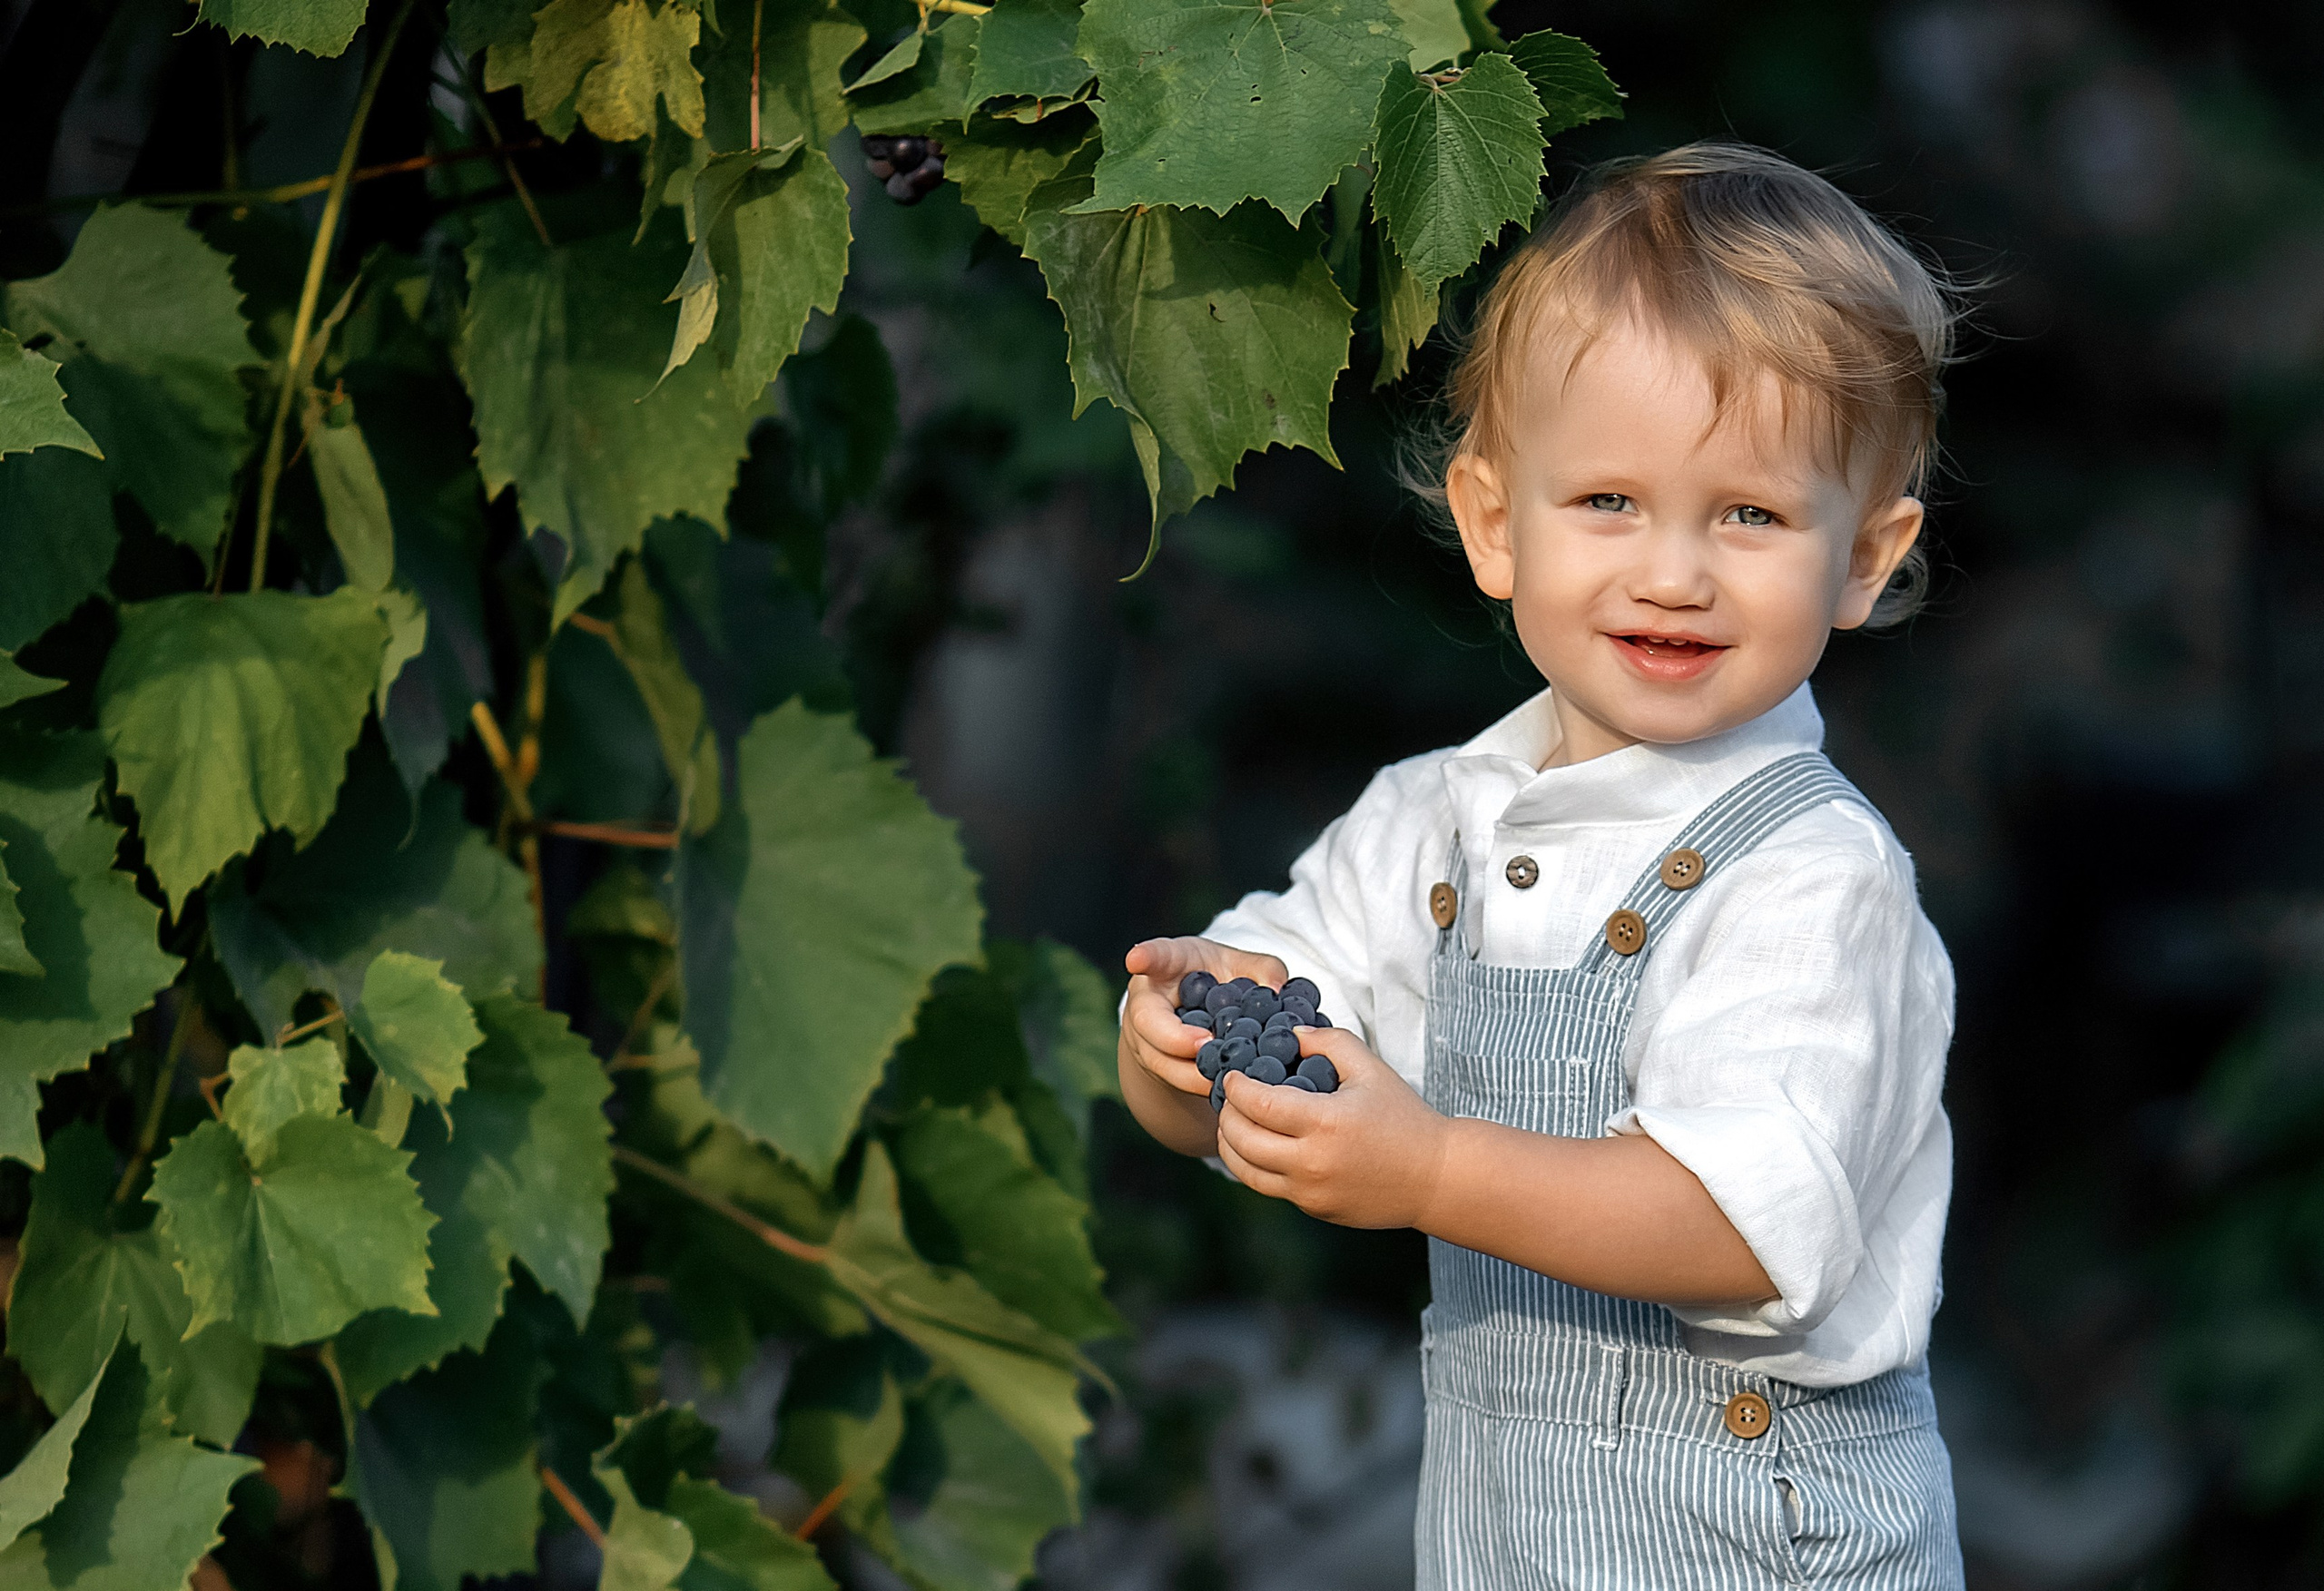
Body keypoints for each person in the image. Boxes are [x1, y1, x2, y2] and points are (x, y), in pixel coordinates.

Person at [1117, 143, 1965, 1587]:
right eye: (1610, 503)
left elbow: (1740, 1226)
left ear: (1865, 559)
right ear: (1496, 524)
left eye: (1751, 515)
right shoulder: (1434, 820)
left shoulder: (1814, 879)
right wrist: (1185, 1045)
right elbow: (1250, 1075)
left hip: (1754, 1549)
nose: (1674, 572)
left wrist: (1435, 1167)